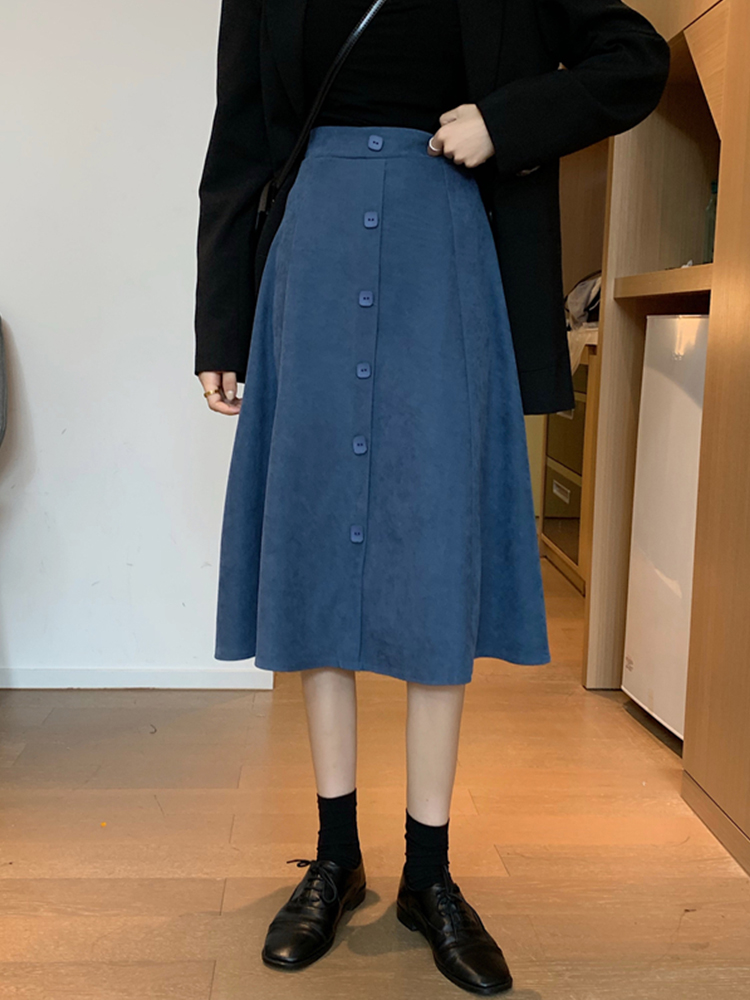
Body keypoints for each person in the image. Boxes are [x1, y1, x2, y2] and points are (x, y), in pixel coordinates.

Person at [194, 1, 670, 993]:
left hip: (447, 253)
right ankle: (335, 858)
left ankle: (430, 871)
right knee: (315, 546)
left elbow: (636, 58)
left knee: (433, 545)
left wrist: (506, 119)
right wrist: (221, 325)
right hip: (312, 257)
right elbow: (239, 140)